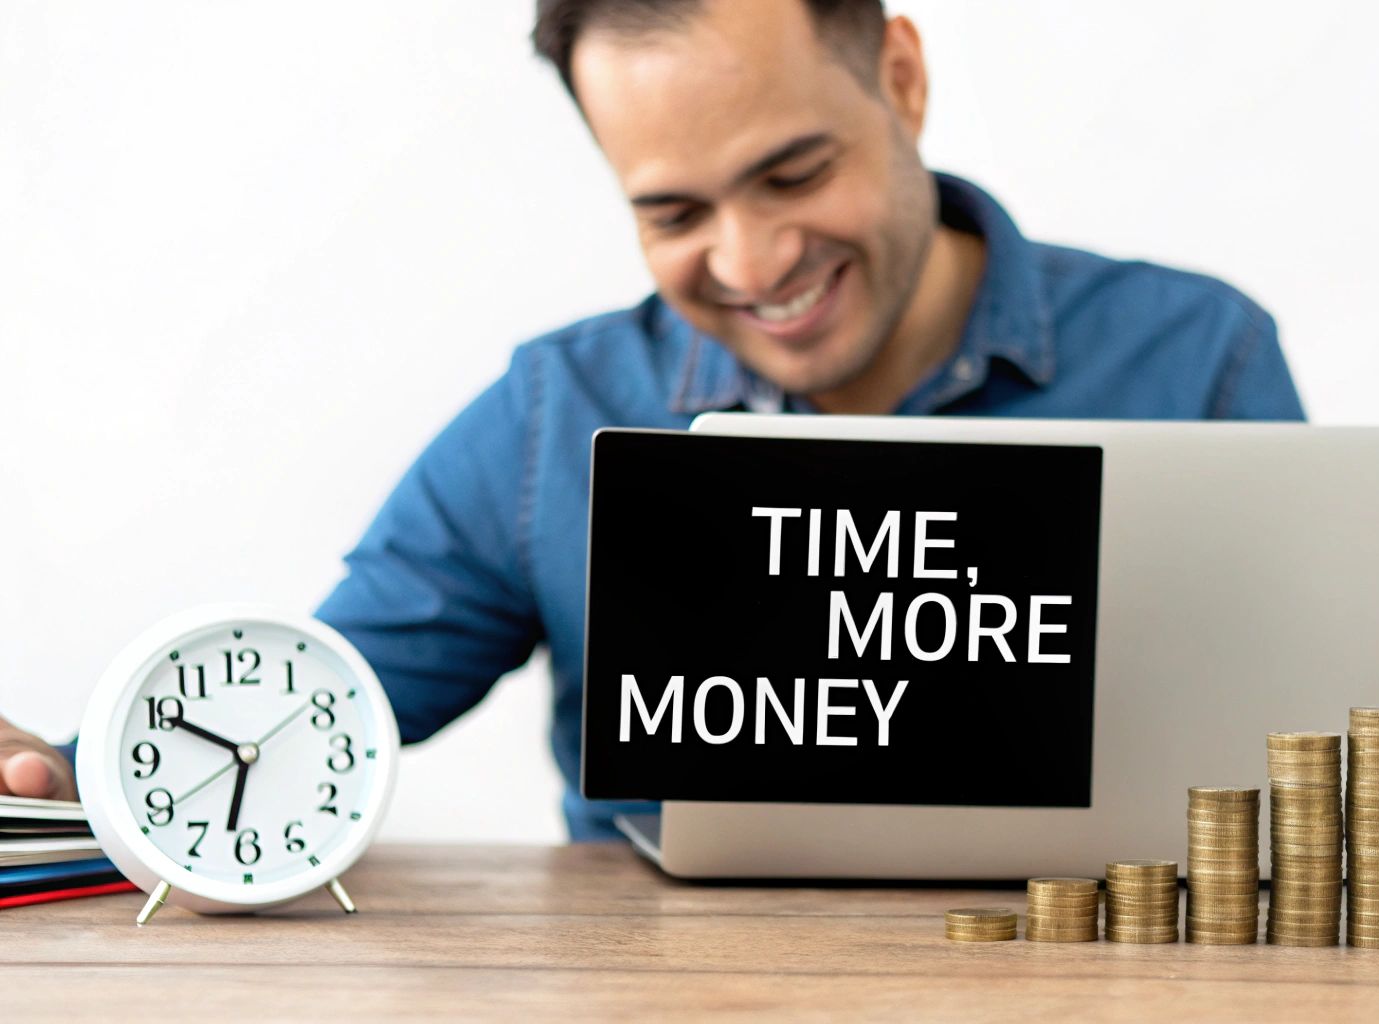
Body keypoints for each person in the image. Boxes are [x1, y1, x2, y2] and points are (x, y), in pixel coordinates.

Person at [1, 0, 1303, 838]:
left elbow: (1311, 751)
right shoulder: (551, 417)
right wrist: (63, 777)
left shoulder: (1200, 356)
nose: (751, 261)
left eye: (795, 173)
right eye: (674, 213)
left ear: (900, 78)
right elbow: (316, 706)